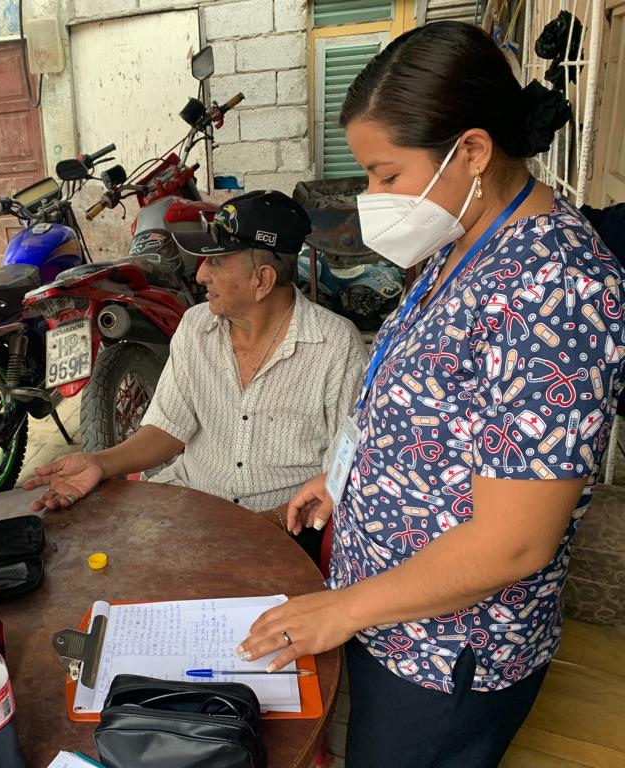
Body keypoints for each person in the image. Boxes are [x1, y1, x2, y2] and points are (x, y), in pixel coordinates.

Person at [239, 21, 625, 767]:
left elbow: (514, 539)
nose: (372, 197)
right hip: (389, 615)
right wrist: (345, 478)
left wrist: (342, 609)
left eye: (386, 175)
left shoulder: (555, 289)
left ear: (472, 152)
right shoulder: (463, 244)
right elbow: (428, 404)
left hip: (449, 653)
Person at [24, 191, 368, 558]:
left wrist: (258, 528)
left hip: (285, 531)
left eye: (216, 262)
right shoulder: (195, 326)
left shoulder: (336, 346)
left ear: (263, 280)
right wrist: (99, 462)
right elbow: (168, 427)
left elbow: (339, 474)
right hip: (194, 510)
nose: (201, 274)